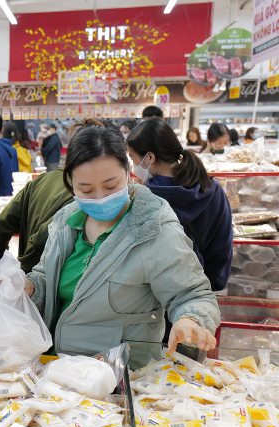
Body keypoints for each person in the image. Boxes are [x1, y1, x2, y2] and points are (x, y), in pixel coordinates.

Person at [21, 119, 220, 368]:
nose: (100, 198)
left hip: (121, 377)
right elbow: (46, 273)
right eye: (86, 190)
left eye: (111, 185)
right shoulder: (66, 221)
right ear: (71, 183)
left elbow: (193, 295)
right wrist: (31, 285)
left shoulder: (154, 228)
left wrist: (190, 321)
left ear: (128, 171)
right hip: (60, 369)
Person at [127, 118, 233, 292]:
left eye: (132, 158)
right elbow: (224, 245)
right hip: (201, 292)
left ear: (150, 157)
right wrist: (207, 284)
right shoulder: (212, 188)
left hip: (159, 298)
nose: (133, 166)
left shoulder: (147, 198)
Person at [0, 168, 73, 274]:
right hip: (46, 279)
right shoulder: (83, 197)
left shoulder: (42, 179)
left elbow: (3, 223)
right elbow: (42, 240)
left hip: (29, 278)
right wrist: (24, 270)